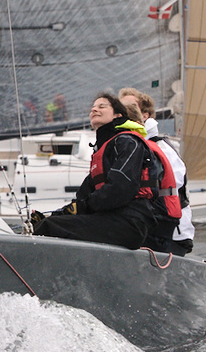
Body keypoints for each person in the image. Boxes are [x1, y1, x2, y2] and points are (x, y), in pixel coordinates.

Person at [33, 93, 179, 250]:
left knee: (49, 228)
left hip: (130, 224)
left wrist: (82, 207)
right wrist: (55, 215)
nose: (94, 109)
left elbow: (120, 189)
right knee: (45, 223)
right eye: (93, 107)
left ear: (118, 115)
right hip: (110, 218)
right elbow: (83, 197)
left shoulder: (128, 142)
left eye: (102, 106)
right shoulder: (103, 149)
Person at [119, 87, 194, 255]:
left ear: (144, 115)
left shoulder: (160, 147)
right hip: (141, 226)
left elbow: (173, 186)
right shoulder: (126, 144)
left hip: (169, 232)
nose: (124, 111)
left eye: (131, 107)